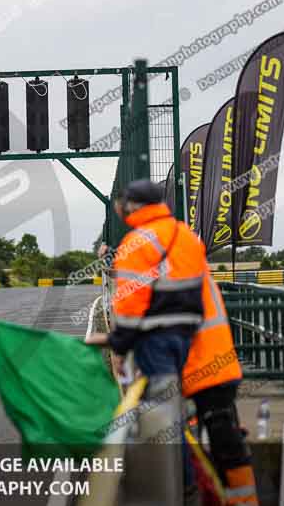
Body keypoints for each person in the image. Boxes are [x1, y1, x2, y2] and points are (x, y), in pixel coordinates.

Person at [85, 179, 207, 503]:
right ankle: (184, 479)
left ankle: (177, 484)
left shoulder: (137, 242)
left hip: (155, 339)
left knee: (160, 412)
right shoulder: (185, 236)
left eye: (126, 204)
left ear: (136, 207)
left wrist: (121, 345)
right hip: (189, 336)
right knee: (174, 407)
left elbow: (129, 304)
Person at [182, 271, 258, 506]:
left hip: (207, 372)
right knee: (224, 441)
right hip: (215, 368)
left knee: (224, 444)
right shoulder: (190, 263)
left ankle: (240, 500)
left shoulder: (176, 266)